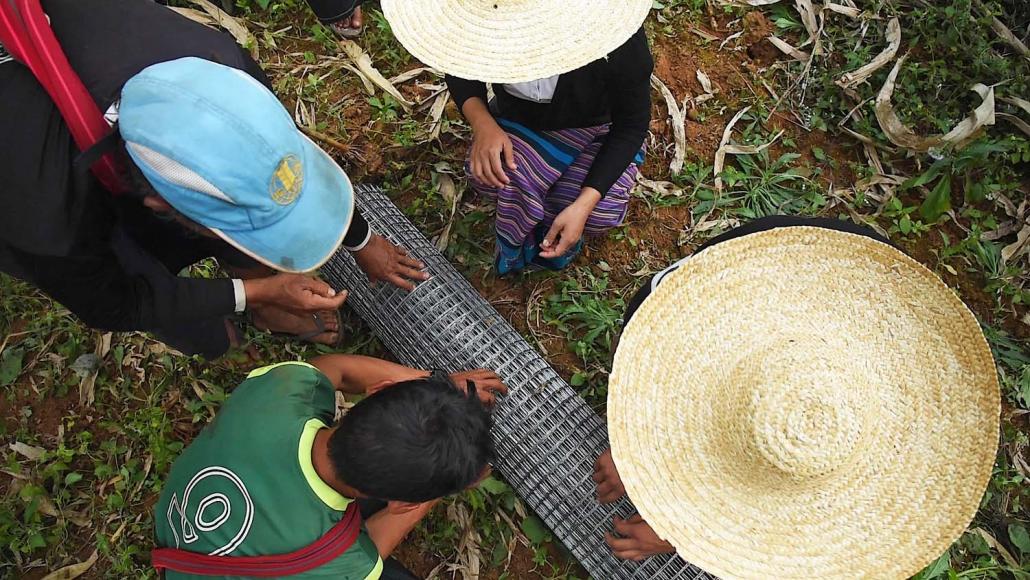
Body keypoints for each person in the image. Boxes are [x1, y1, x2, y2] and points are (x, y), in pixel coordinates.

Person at [0, 0, 427, 360]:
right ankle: (246, 315)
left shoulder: (219, 67)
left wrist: (360, 239)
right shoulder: (46, 220)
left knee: (220, 199)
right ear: (160, 205)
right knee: (201, 330)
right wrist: (256, 293)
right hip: (36, 166)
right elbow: (117, 303)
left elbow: (281, 159)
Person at [594, 215, 1000, 579]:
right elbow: (653, 360)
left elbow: (759, 547)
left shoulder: (851, 400)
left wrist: (676, 535)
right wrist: (633, 451)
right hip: (741, 271)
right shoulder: (678, 304)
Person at [153, 356, 507, 579]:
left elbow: (335, 368)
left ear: (378, 390)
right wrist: (439, 489)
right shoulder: (343, 565)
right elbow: (366, 557)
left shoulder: (284, 391)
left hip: (182, 545)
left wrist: (429, 383)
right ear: (401, 503)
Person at [380, 0, 655, 274]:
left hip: (598, 127)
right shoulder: (484, 19)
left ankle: (561, 210)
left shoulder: (614, 39)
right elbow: (460, 69)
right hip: (522, 120)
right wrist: (482, 123)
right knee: (491, 174)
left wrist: (585, 203)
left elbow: (631, 125)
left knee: (598, 213)